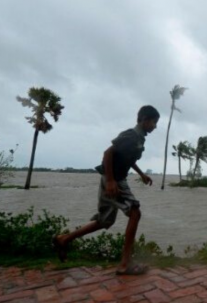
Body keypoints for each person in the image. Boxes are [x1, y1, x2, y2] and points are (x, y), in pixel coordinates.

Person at [53, 105, 159, 275]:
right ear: (145, 119)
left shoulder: (139, 138)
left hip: (117, 179)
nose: (155, 126)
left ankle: (63, 239)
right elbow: (108, 153)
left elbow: (127, 158)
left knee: (104, 221)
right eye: (154, 122)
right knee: (134, 212)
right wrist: (110, 180)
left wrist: (141, 174)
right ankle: (125, 264)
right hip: (114, 180)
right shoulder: (131, 135)